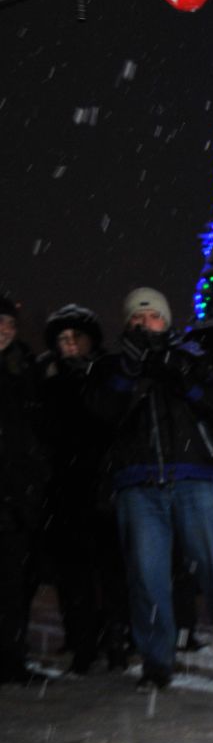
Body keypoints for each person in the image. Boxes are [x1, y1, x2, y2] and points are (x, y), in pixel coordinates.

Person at [86, 287, 213, 689]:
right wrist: (128, 371)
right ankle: (156, 663)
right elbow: (99, 416)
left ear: (167, 320)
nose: (147, 324)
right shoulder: (111, 365)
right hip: (139, 484)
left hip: (196, 478)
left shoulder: (193, 356)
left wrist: (178, 373)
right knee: (148, 578)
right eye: (138, 319)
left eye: (154, 317)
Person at [39, 303, 129, 672]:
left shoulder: (107, 372)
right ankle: (82, 645)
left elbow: (112, 417)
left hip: (104, 485)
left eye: (76, 337)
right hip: (66, 491)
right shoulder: (48, 377)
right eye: (63, 339)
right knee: (74, 575)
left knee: (111, 573)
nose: (70, 345)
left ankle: (116, 641)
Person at [0, 293, 47, 686]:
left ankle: (12, 659)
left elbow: (34, 428)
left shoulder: (24, 367)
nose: (4, 331)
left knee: (14, 585)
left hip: (16, 493)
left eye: (9, 325)